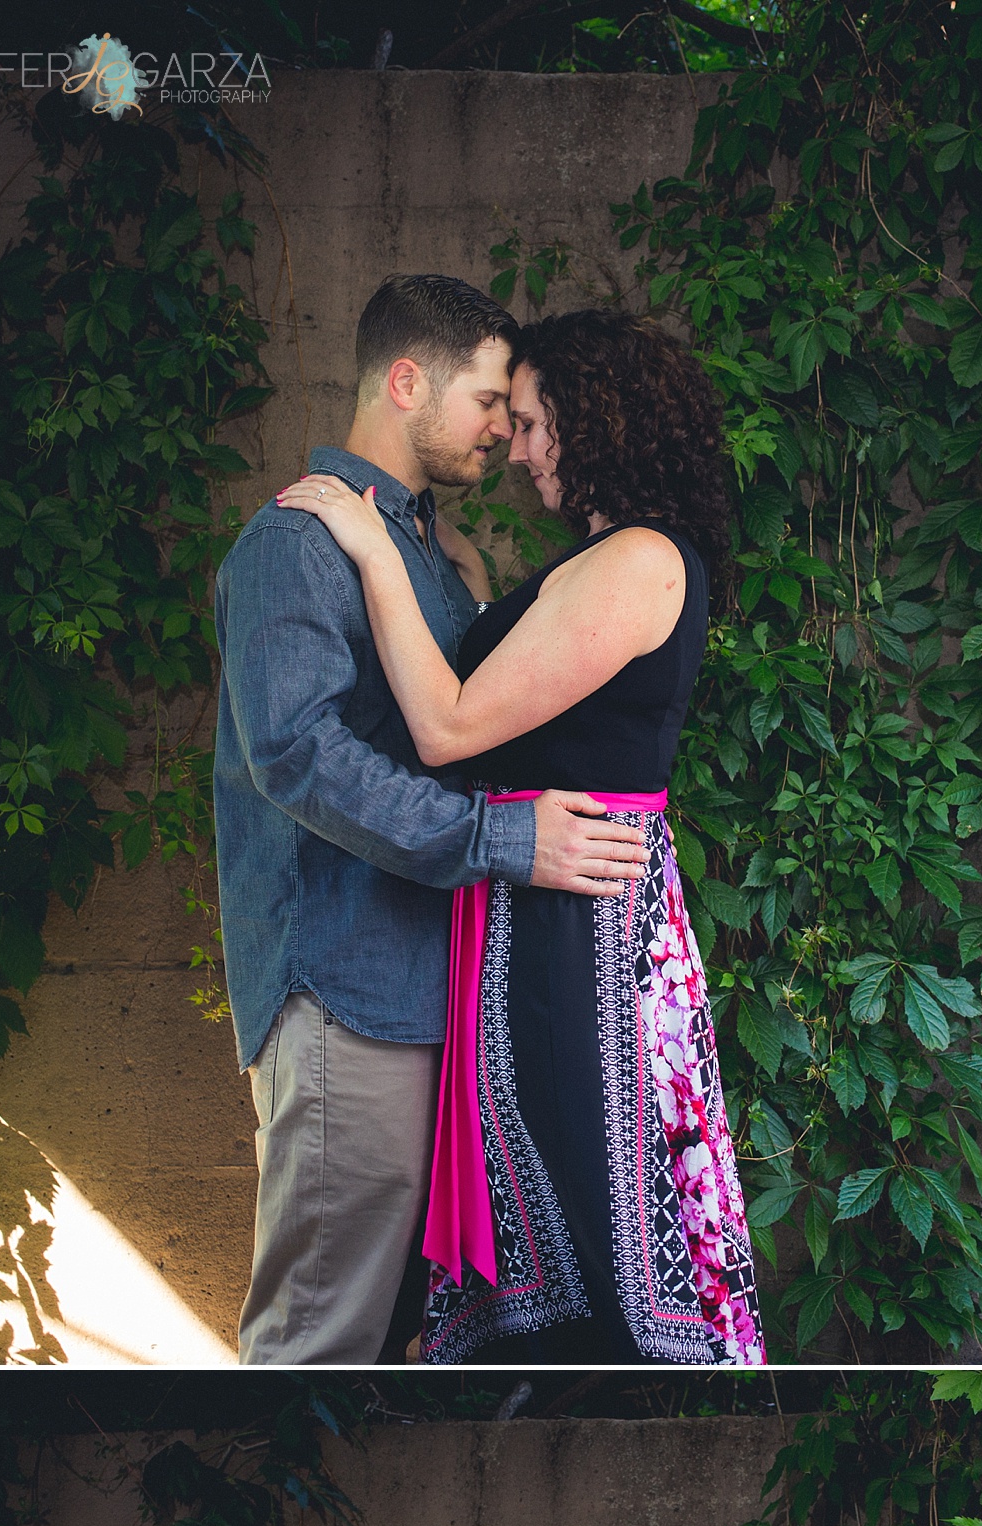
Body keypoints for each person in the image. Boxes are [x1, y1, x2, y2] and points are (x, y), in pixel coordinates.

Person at [273, 310, 764, 1369]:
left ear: (598, 422)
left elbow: (452, 725)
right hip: (543, 892)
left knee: (586, 1168)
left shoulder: (634, 560)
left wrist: (372, 552)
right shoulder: (601, 560)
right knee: (544, 1162)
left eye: (537, 422)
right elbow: (539, 697)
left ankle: (626, 1386)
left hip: (574, 911)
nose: (521, 447)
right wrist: (455, 580)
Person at [215, 275, 649, 1365]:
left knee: (387, 1343)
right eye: (489, 400)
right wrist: (506, 842)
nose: (506, 430)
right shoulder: (301, 542)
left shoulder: (419, 552)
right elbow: (300, 758)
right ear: (406, 383)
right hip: (345, 992)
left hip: (418, 992)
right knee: (316, 1340)